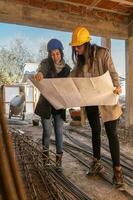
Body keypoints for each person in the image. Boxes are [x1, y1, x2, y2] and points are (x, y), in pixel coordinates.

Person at [69, 26, 124, 187]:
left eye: (78, 46)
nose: (76, 49)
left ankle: (118, 171)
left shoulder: (102, 53)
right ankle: (96, 163)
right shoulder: (80, 63)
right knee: (95, 131)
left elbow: (113, 73)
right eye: (74, 46)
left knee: (111, 133)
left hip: (107, 99)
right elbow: (71, 77)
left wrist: (117, 86)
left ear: (86, 44)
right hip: (91, 101)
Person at [34, 39, 71, 171]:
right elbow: (41, 69)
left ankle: (59, 162)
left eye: (57, 54)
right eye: (52, 54)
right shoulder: (46, 63)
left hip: (59, 106)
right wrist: (40, 74)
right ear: (49, 54)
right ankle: (45, 161)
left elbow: (69, 86)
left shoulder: (67, 69)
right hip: (46, 105)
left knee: (59, 132)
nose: (55, 57)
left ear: (61, 53)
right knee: (47, 132)